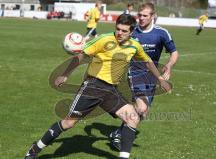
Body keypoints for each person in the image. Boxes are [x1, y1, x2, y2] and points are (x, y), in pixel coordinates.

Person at [24, 14, 171, 159]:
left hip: (111, 90)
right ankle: (34, 150)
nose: (119, 33)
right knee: (68, 123)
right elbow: (81, 55)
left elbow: (147, 61)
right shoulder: (103, 39)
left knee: (133, 118)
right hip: (93, 87)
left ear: (131, 32)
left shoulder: (134, 46)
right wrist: (65, 74)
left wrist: (159, 78)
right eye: (118, 29)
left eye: (124, 31)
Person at [109, 2, 179, 150]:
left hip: (152, 74)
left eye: (145, 16)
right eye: (139, 15)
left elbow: (174, 52)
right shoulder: (132, 32)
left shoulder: (161, 33)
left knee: (143, 112)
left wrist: (169, 67)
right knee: (141, 108)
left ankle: (117, 132)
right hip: (134, 73)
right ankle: (119, 137)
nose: (141, 18)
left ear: (152, 16)